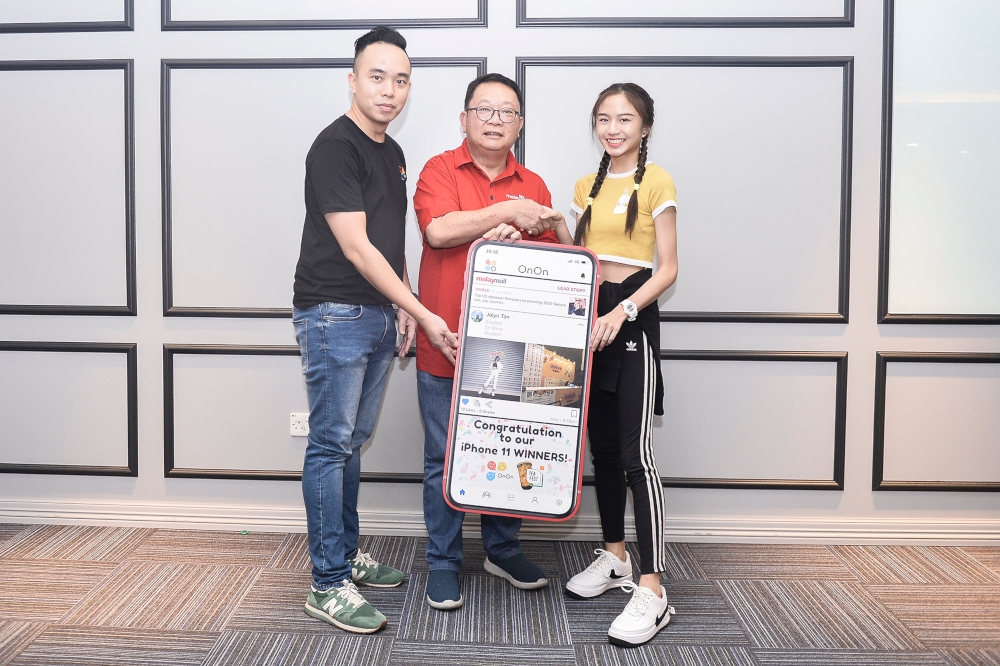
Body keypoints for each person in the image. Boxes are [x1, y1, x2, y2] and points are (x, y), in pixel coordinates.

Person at [291, 26, 458, 635]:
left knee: (351, 441)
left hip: (376, 313)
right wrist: (419, 309)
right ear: (353, 79)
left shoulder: (390, 150)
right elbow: (359, 250)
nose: (390, 90)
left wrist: (402, 308)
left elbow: (391, 240)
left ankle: (346, 555)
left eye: (401, 79)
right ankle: (326, 584)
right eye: (377, 76)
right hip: (335, 312)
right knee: (331, 445)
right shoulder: (335, 147)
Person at [413, 73, 565, 610]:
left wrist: (525, 229)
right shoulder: (438, 169)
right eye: (485, 110)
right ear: (464, 119)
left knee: (506, 447)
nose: (496, 120)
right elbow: (438, 230)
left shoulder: (537, 183)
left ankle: (502, 549)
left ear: (520, 125)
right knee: (444, 458)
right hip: (447, 342)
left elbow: (555, 257)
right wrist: (505, 214)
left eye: (507, 112)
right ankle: (443, 562)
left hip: (512, 351)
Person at [548, 83, 679, 647]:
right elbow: (579, 257)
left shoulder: (658, 180)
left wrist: (624, 311)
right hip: (589, 322)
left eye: (625, 119)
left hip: (630, 321)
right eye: (604, 119)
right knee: (600, 450)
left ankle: (653, 588)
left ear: (644, 126)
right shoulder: (585, 185)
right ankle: (615, 557)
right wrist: (550, 223)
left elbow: (668, 268)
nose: (613, 128)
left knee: (633, 455)